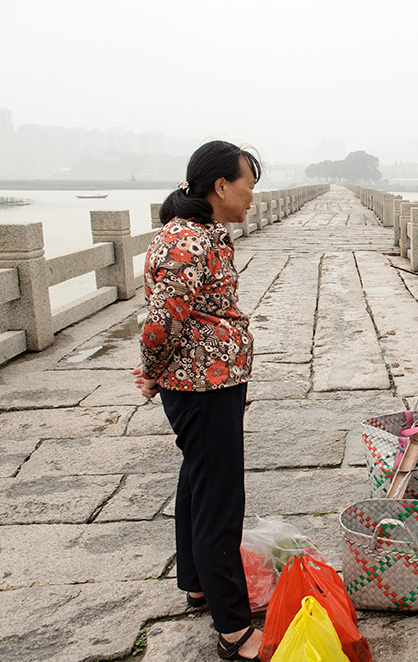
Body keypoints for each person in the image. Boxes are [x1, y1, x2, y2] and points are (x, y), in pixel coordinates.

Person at [131, 140, 263, 661]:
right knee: (219, 500)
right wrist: (150, 371)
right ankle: (233, 627)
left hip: (210, 381)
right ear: (221, 186)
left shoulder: (206, 232)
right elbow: (162, 321)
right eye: (248, 184)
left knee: (198, 480)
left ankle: (197, 581)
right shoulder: (186, 239)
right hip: (201, 387)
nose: (252, 196)